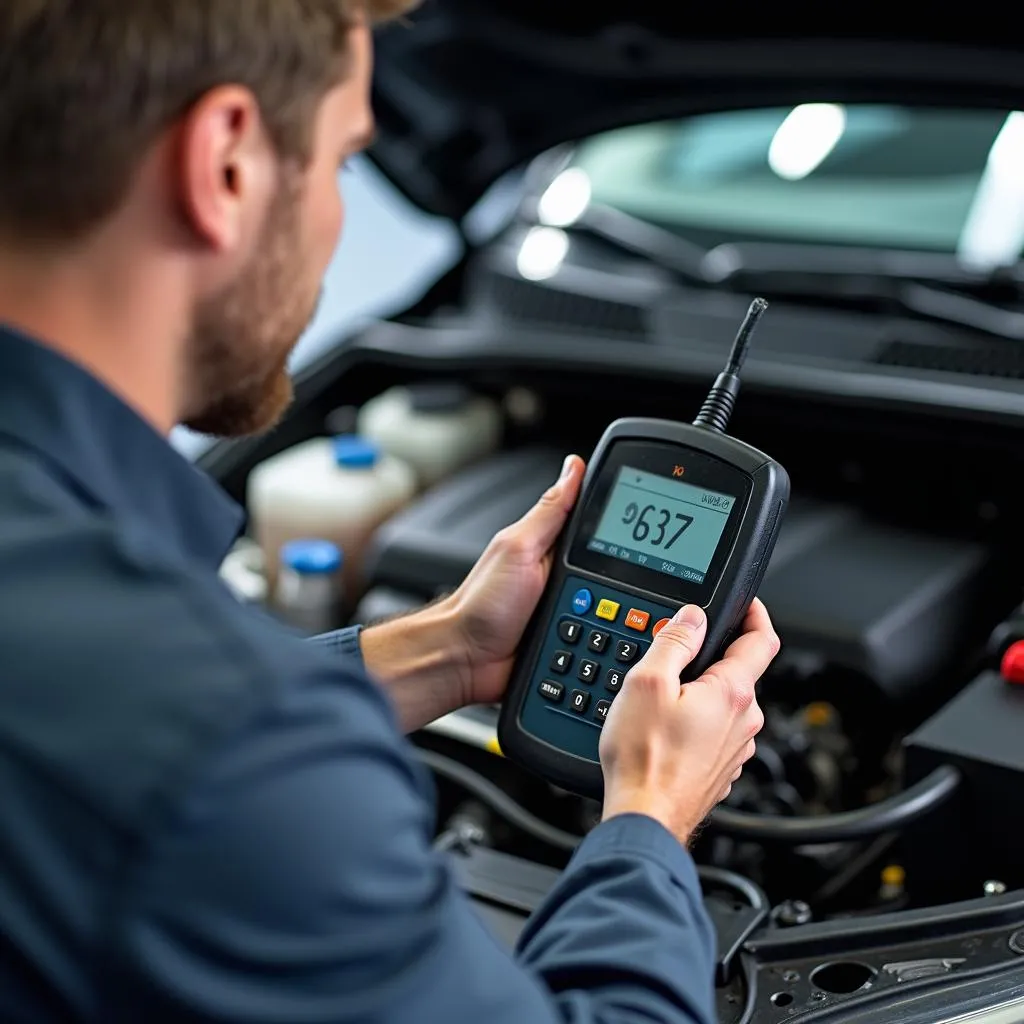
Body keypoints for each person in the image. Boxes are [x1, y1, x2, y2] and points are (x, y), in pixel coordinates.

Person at [0, 2, 780, 1022]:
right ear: (225, 162)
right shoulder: (230, 748)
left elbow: (114, 711)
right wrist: (649, 816)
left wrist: (451, 651)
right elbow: (192, 736)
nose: (333, 219)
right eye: (340, 162)